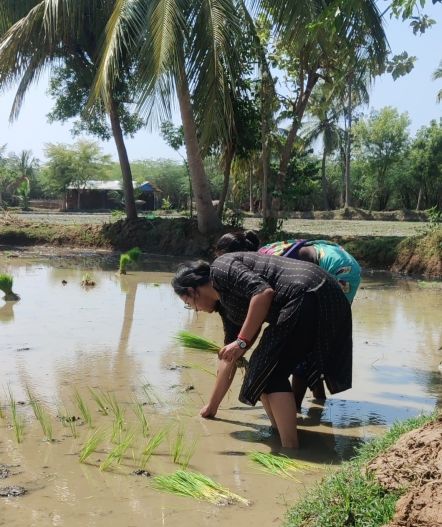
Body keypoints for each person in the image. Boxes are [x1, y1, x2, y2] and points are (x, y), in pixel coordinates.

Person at [172, 253, 352, 448]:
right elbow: (229, 359)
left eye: (189, 305)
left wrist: (241, 343)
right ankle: (280, 435)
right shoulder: (227, 307)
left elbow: (263, 292)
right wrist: (212, 407)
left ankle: (290, 448)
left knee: (271, 373)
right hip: (313, 297)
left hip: (310, 293)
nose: (195, 310)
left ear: (193, 291)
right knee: (260, 373)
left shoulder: (221, 269)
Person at [215, 231, 361, 304]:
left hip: (341, 269)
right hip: (334, 253)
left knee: (331, 321)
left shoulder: (266, 263)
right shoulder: (264, 252)